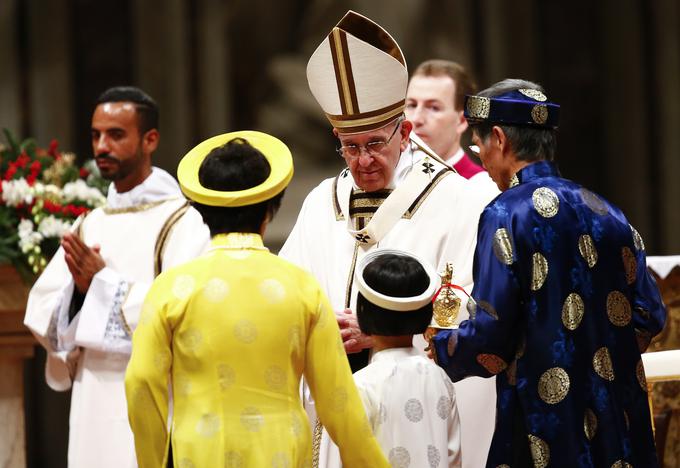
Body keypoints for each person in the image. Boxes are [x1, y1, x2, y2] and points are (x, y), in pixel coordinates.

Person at [280, 10, 497, 468]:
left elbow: (474, 303)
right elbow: (288, 288)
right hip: (334, 391)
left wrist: (385, 333)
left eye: (375, 143)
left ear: (404, 131)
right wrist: (318, 328)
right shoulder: (324, 200)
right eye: (350, 146)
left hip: (416, 400)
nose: (362, 161)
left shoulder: (453, 198)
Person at [431, 79, 667, 467]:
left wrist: (441, 346)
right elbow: (649, 313)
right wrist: (599, 355)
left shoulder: (504, 213)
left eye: (479, 147)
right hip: (615, 419)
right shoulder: (609, 212)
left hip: (542, 420)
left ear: (499, 139)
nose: (482, 160)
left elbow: (493, 333)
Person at [124, 132, 390, 468]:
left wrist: (153, 460)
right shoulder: (301, 288)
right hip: (280, 454)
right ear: (271, 208)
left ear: (201, 210)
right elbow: (339, 402)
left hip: (198, 453)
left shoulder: (171, 288)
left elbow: (140, 383)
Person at [24, 86, 211, 468]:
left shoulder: (185, 222)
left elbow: (188, 312)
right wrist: (78, 296)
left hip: (157, 395)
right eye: (95, 135)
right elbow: (42, 311)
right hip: (91, 394)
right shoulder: (90, 223)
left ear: (150, 140)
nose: (102, 146)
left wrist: (102, 285)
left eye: (115, 134)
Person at [319, 249, 461, 468]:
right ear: (424, 315)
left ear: (363, 311)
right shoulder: (440, 377)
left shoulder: (361, 385)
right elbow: (453, 456)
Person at [406, 59, 488, 181]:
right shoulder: (388, 180)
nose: (416, 119)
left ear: (462, 121)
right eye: (412, 105)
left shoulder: (482, 188)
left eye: (433, 108)